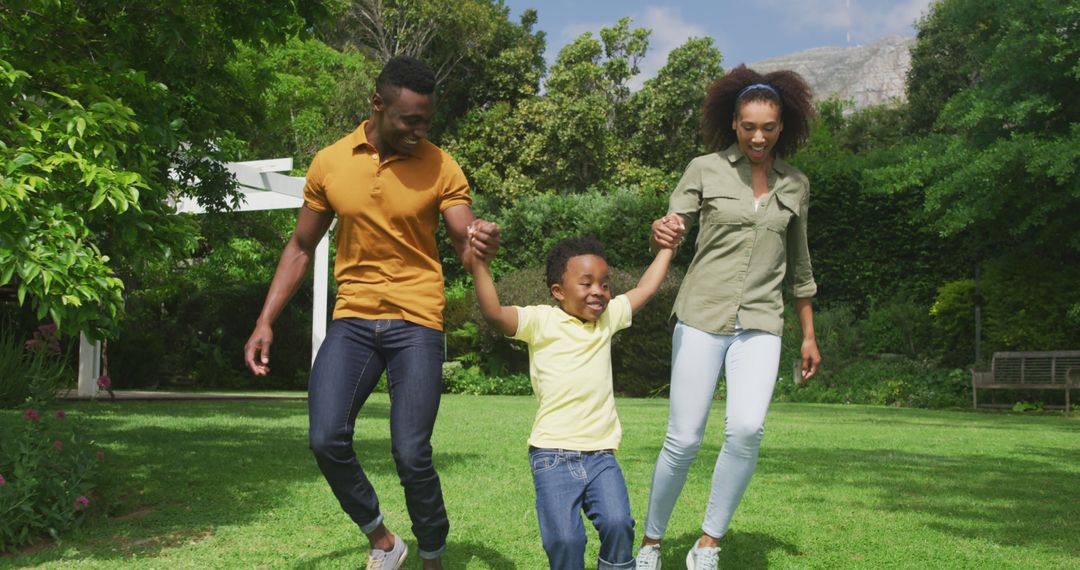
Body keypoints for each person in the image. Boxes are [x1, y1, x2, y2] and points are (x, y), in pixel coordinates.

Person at [243, 56, 499, 570]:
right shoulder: (331, 162)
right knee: (325, 438)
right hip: (354, 317)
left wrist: (479, 242)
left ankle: (432, 555)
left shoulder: (441, 164)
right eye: (411, 120)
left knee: (411, 453)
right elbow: (299, 246)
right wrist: (264, 319)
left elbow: (464, 245)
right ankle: (383, 539)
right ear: (378, 105)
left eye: (427, 120)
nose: (421, 130)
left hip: (417, 320)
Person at [634, 65, 822, 570]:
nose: (758, 136)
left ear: (783, 126)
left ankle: (708, 544)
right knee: (685, 437)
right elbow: (674, 222)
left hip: (762, 321)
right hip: (701, 314)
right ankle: (651, 543)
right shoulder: (705, 168)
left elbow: (799, 266)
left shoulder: (796, 184)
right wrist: (664, 229)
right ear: (733, 124)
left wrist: (808, 334)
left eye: (768, 127)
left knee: (746, 429)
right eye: (748, 126)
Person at [468, 232, 681, 570]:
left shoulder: (608, 319)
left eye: (605, 284)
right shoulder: (541, 321)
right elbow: (494, 313)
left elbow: (645, 289)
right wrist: (480, 263)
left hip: (601, 456)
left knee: (618, 524)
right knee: (565, 541)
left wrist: (667, 249)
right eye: (586, 283)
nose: (598, 290)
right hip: (551, 455)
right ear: (558, 291)